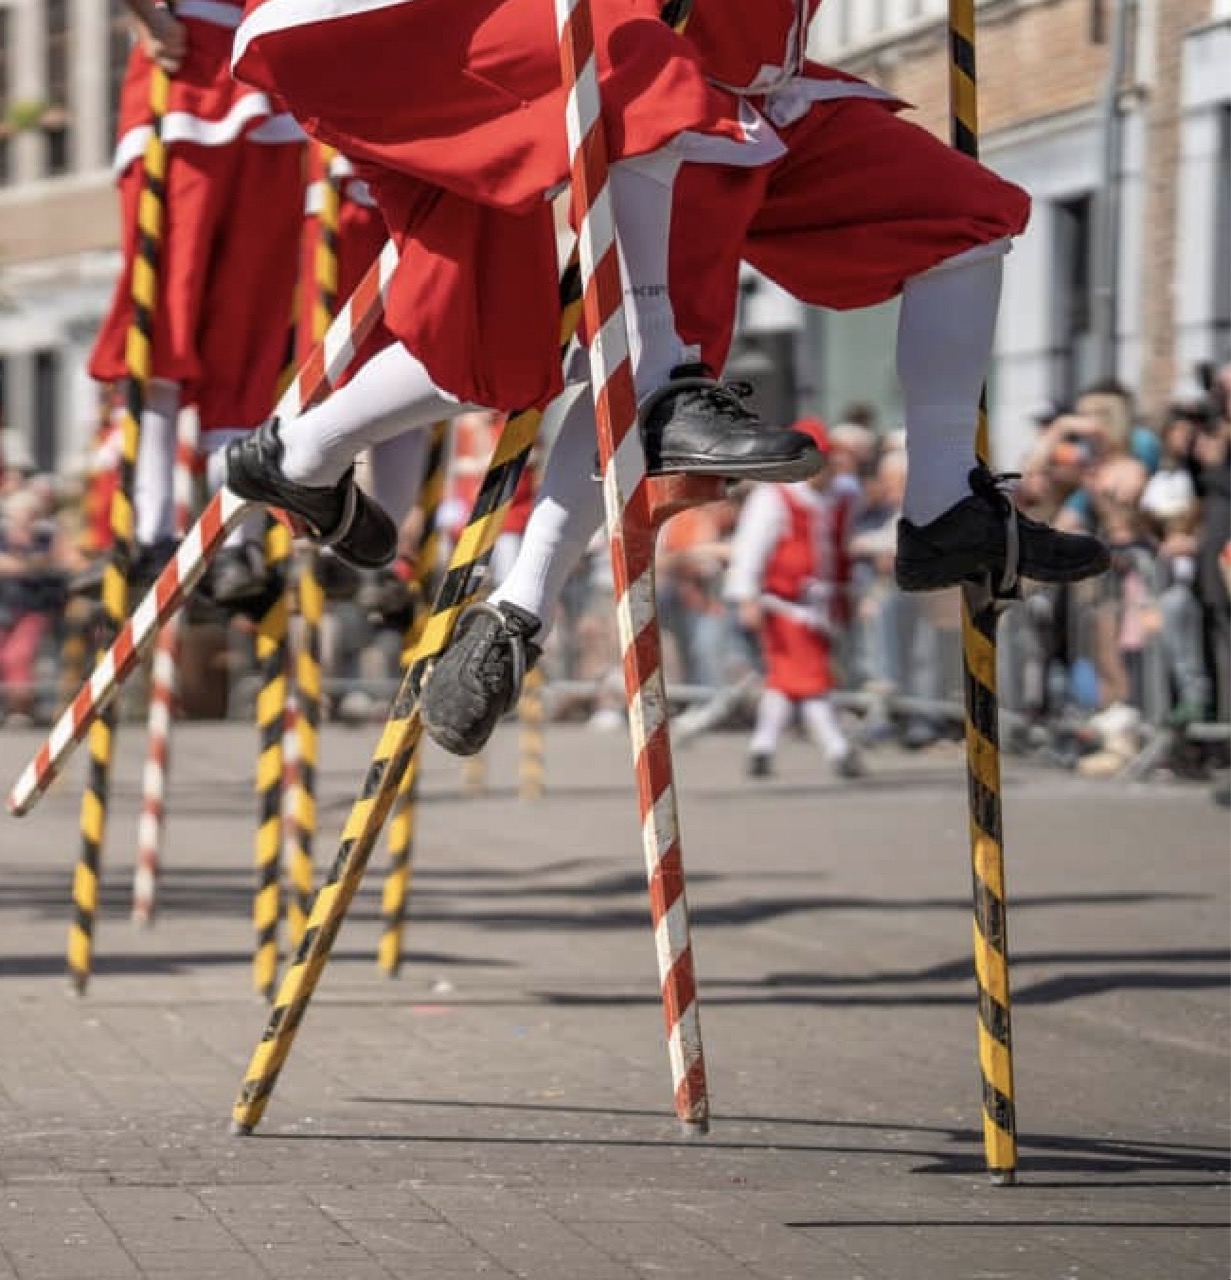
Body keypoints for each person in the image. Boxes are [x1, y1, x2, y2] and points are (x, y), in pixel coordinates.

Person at [218, 0, 1110, 756]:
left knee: (963, 219)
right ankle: (509, 595)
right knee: (550, 333)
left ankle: (943, 501)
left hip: (751, 96)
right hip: (603, 64)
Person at [88, 0, 306, 606]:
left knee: (250, 328)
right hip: (187, 66)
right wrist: (145, 15)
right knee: (165, 315)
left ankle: (235, 536)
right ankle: (152, 530)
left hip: (276, 75)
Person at [724, 419, 863, 779]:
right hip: (784, 604)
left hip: (822, 605)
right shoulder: (773, 497)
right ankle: (838, 749)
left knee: (786, 683)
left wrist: (847, 596)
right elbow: (749, 550)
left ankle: (762, 748)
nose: (825, 469)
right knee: (813, 681)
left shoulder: (842, 497)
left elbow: (842, 548)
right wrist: (746, 597)